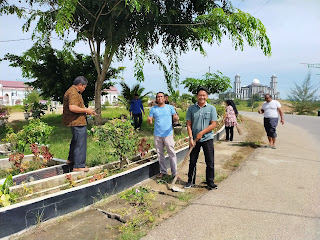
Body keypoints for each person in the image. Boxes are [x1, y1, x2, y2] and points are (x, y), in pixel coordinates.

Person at [185, 87, 218, 189]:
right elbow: (189, 124)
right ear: (197, 96)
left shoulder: (211, 108)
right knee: (193, 161)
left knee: (210, 161)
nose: (202, 97)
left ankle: (210, 182)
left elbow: (213, 124)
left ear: (207, 97)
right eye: (200, 95)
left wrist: (202, 133)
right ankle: (190, 181)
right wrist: (191, 138)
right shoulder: (191, 109)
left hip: (207, 138)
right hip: (194, 140)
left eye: (204, 95)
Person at [63, 76, 96, 172]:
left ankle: (71, 160)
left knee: (75, 141)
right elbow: (72, 107)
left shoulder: (73, 91)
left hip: (77, 121)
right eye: (84, 87)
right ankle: (79, 166)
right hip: (77, 122)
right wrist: (86, 110)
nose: (84, 89)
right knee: (80, 143)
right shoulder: (73, 92)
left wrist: (88, 111)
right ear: (80, 85)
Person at [148, 92, 179, 178]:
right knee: (160, 154)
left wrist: (176, 118)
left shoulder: (170, 107)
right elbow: (150, 120)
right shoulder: (153, 109)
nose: (160, 98)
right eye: (158, 97)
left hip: (168, 134)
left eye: (161, 96)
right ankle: (163, 172)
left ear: (165, 98)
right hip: (157, 135)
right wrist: (149, 120)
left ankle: (175, 173)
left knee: (172, 153)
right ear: (156, 99)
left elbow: (175, 117)